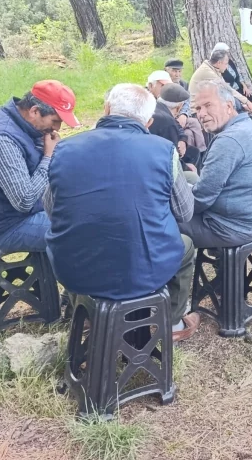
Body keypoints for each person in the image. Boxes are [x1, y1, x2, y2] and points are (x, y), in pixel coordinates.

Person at [44, 84, 200, 342]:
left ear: (107, 109)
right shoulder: (163, 150)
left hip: (75, 267)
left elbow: (50, 209)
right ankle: (171, 324)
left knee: (74, 244)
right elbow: (184, 212)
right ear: (148, 122)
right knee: (186, 246)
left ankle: (88, 318)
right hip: (144, 268)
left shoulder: (64, 149)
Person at [0, 80, 79, 253]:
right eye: (55, 120)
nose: (57, 128)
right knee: (87, 232)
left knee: (96, 216)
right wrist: (48, 156)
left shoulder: (27, 127)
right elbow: (25, 201)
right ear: (34, 111)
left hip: (34, 210)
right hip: (9, 225)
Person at [180, 80, 252, 249]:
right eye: (198, 109)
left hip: (232, 228)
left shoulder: (229, 140)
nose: (202, 114)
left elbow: (200, 200)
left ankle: (172, 272)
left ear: (228, 106)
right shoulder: (248, 127)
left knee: (158, 220)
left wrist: (176, 196)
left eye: (208, 105)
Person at [190, 49, 252, 114]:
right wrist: (247, 102)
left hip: (205, 103)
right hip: (197, 110)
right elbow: (227, 89)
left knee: (234, 103)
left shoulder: (213, 68)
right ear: (219, 63)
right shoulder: (207, 72)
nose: (226, 67)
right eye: (226, 64)